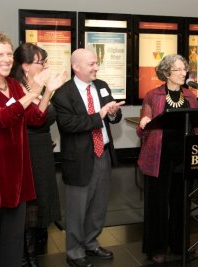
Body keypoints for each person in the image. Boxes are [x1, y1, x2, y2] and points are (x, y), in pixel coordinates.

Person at [0, 30, 64, 267]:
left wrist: (48, 90)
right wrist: (34, 91)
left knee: (12, 237)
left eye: (9, 54)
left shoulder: (13, 84)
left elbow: (35, 119)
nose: (7, 59)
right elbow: (0, 118)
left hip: (15, 170)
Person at [51, 48, 124, 267]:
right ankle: (74, 253)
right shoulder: (63, 93)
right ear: (77, 67)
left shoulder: (101, 86)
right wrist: (99, 115)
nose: (96, 67)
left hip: (103, 155)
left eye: (96, 63)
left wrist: (112, 113)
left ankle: (91, 243)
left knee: (98, 206)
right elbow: (69, 124)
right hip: (79, 159)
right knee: (77, 209)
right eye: (92, 64)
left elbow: (114, 115)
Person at [136, 54, 198, 264]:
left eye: (185, 69)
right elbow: (142, 129)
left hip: (183, 156)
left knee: (181, 202)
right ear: (166, 73)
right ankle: (157, 248)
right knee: (158, 204)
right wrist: (143, 123)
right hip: (158, 157)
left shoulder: (190, 96)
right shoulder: (152, 96)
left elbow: (197, 126)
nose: (184, 73)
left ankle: (179, 245)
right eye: (179, 70)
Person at [9, 43, 67, 267]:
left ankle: (33, 252)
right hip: (25, 149)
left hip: (41, 147)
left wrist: (48, 89)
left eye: (44, 61)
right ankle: (25, 256)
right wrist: (47, 90)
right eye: (40, 62)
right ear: (25, 66)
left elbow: (39, 118)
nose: (44, 65)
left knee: (40, 200)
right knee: (27, 203)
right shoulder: (15, 87)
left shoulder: (38, 86)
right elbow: (33, 118)